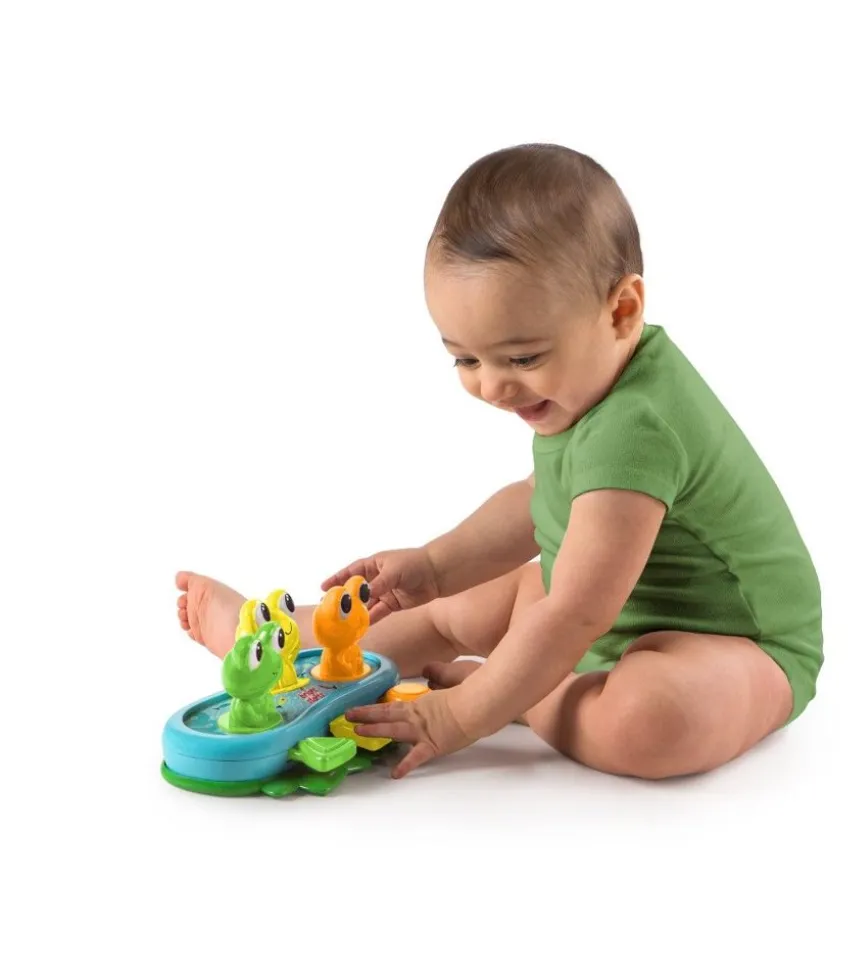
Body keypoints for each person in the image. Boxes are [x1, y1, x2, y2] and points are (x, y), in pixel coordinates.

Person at [176, 143, 822, 781]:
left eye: (523, 358)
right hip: (598, 608)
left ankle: (525, 694)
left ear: (622, 312)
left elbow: (576, 612)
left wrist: (462, 714)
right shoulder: (587, 381)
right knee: (446, 611)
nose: (492, 386)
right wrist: (436, 566)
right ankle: (295, 642)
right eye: (465, 358)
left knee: (649, 722)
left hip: (731, 649)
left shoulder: (636, 425)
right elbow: (543, 498)